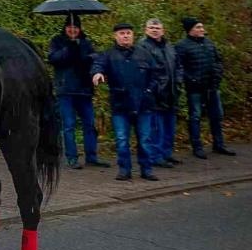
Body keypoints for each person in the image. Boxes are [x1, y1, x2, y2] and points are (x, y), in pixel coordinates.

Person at [91, 24, 158, 182]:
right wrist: (98, 73)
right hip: (120, 105)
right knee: (122, 139)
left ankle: (146, 169)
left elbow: (155, 75)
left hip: (143, 104)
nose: (126, 36)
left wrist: (149, 91)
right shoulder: (109, 54)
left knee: (145, 139)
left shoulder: (144, 53)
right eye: (122, 33)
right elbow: (98, 65)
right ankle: (124, 169)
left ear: (133, 35)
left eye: (128, 33)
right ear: (115, 36)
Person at [47, 14, 110, 169]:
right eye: (70, 27)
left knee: (90, 124)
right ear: (65, 28)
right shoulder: (57, 41)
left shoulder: (86, 43)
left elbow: (94, 58)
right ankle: (72, 157)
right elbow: (53, 59)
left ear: (79, 28)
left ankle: (92, 156)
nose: (73, 30)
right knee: (68, 125)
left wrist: (86, 54)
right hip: (65, 90)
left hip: (84, 89)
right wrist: (69, 48)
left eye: (75, 27)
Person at [176, 18, 234, 158]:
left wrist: (218, 74)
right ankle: (197, 146)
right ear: (191, 30)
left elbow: (218, 60)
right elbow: (179, 67)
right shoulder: (182, 46)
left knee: (217, 115)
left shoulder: (209, 43)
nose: (202, 29)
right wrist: (190, 79)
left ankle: (219, 144)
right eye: (199, 27)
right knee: (195, 116)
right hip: (195, 88)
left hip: (212, 86)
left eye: (202, 26)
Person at [139, 18, 182, 167]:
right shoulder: (143, 47)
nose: (154, 30)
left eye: (157, 28)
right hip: (155, 93)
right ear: (146, 30)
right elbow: (144, 69)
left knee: (170, 126)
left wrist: (178, 81)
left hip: (171, 91)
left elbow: (178, 65)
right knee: (156, 127)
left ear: (162, 30)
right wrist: (151, 88)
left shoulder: (169, 46)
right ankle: (155, 156)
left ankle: (166, 153)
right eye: (151, 27)